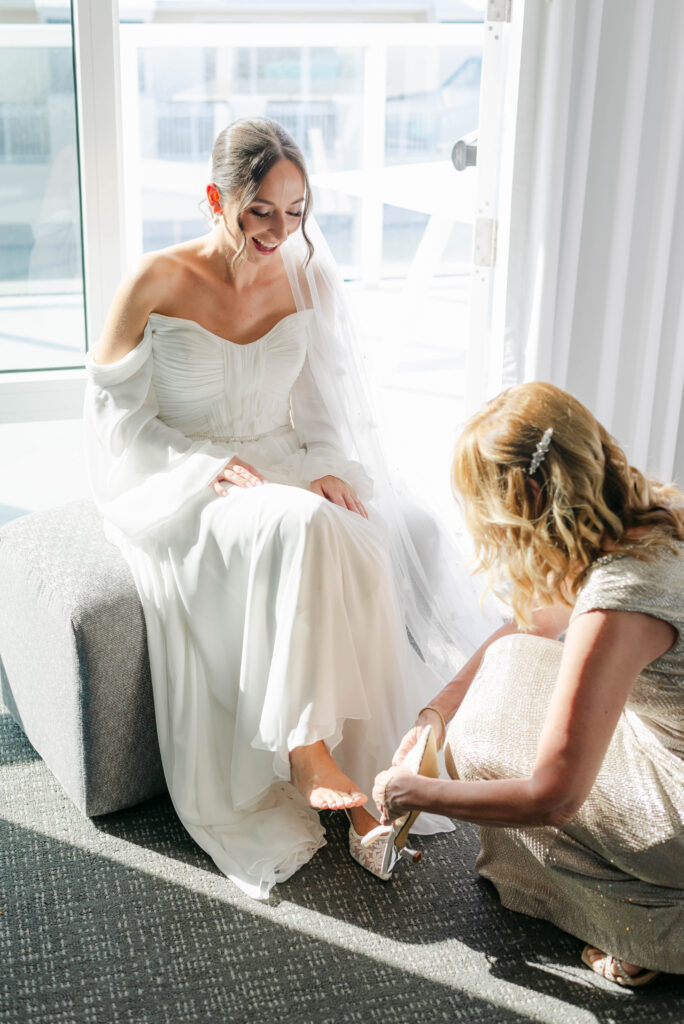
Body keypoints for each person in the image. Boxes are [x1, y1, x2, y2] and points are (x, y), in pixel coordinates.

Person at [83, 117, 490, 900]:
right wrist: (199, 467)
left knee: (359, 538)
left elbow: (325, 412)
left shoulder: (309, 277)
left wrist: (332, 470)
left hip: (283, 464)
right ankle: (306, 753)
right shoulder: (154, 282)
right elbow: (118, 430)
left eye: (297, 210)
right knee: (299, 525)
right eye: (261, 211)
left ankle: (371, 782)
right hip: (189, 483)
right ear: (216, 199)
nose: (281, 230)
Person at [373, 381, 684, 985]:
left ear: (528, 497)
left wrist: (413, 792)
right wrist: (434, 713)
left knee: (485, 755)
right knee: (506, 669)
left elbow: (553, 796)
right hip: (667, 743)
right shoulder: (654, 515)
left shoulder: (618, 602)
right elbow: (532, 621)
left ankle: (650, 927)